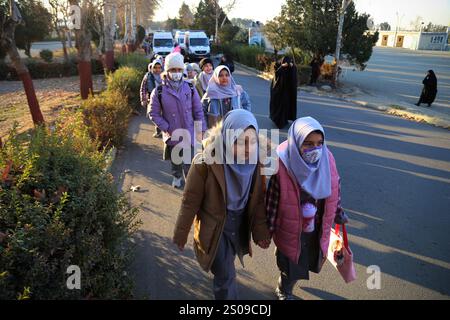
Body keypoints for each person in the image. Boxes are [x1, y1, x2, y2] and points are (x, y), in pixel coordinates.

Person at [173, 109, 271, 300]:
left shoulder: (257, 164)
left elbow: (258, 200)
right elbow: (189, 202)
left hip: (239, 224)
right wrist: (181, 232)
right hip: (216, 226)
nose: (247, 148)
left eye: (252, 142)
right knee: (225, 275)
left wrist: (260, 232)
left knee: (228, 263)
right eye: (239, 142)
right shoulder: (205, 164)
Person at [266, 116, 346, 300]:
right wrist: (266, 231)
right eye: (308, 144)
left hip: (316, 225)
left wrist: (338, 212)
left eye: (319, 143)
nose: (315, 149)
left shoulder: (328, 159)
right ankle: (284, 288)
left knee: (307, 257)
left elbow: (335, 187)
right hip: (290, 225)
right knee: (290, 261)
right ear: (296, 142)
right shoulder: (282, 164)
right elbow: (271, 203)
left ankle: (289, 281)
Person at [148, 52, 206, 188]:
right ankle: (176, 176)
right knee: (176, 159)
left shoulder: (190, 87)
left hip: (189, 131)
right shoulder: (159, 91)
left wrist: (200, 130)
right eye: (173, 70)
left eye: (179, 70)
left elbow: (198, 111)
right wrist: (167, 127)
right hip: (172, 132)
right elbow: (153, 113)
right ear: (167, 71)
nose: (176, 73)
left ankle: (189, 183)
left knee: (189, 160)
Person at [269, 56, 298, 129]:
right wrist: (282, 66)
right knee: (279, 106)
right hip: (278, 92)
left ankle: (284, 119)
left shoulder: (292, 67)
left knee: (286, 105)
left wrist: (292, 66)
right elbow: (276, 74)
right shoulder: (278, 66)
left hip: (287, 91)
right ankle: (278, 120)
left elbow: (293, 79)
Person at [140, 59, 163, 137]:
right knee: (153, 115)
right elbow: (143, 88)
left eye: (159, 67)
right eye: (155, 67)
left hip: (163, 99)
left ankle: (161, 130)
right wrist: (143, 99)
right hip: (152, 99)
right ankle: (159, 130)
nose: (157, 69)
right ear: (152, 67)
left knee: (163, 115)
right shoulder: (148, 76)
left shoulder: (165, 76)